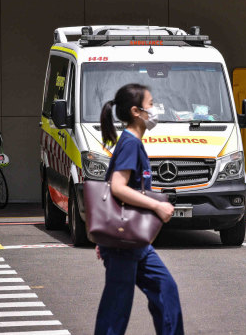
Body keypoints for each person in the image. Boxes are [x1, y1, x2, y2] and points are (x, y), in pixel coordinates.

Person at [94, 83, 184, 335]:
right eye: (151, 104)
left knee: (166, 290)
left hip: (134, 241)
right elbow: (117, 188)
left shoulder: (131, 142)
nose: (155, 110)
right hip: (124, 244)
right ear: (136, 111)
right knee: (116, 310)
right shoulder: (131, 144)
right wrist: (158, 205)